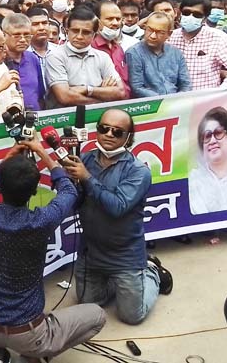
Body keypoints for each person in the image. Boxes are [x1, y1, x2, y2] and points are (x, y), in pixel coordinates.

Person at [0, 139, 106, 363]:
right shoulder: (40, 221)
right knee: (97, 315)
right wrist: (42, 152)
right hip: (27, 334)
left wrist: (9, 156)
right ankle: (32, 356)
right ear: (34, 191)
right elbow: (69, 191)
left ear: (0, 187)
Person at [62, 109, 173, 325]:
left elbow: (117, 207)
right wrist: (69, 183)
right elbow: (75, 204)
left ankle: (152, 273)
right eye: (104, 129)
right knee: (88, 303)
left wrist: (86, 177)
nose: (109, 134)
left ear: (129, 137)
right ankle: (116, 282)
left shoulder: (138, 171)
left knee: (132, 316)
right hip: (91, 252)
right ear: (97, 131)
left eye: (118, 131)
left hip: (125, 254)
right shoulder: (84, 159)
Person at [44, 7, 125, 109]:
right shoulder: (55, 56)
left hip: (96, 118)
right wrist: (102, 97)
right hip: (65, 118)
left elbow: (120, 92)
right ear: (66, 31)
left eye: (86, 32)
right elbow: (65, 97)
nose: (79, 36)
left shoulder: (103, 57)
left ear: (94, 35)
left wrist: (87, 89)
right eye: (75, 31)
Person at [167, 0, 227, 91]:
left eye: (197, 15)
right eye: (186, 13)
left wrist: (224, 87)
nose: (190, 17)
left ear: (204, 18)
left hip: (205, 100)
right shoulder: (170, 37)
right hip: (174, 100)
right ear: (180, 13)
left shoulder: (216, 37)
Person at [125, 12, 192, 97]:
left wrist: (177, 99)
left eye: (160, 32)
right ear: (145, 28)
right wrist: (163, 100)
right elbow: (137, 87)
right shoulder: (134, 53)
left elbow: (186, 84)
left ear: (169, 34)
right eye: (150, 30)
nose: (153, 36)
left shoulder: (176, 53)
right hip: (149, 105)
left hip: (175, 102)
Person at [2, 14, 45, 110]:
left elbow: (40, 94)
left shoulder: (32, 58)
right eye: (17, 35)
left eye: (27, 35)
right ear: (4, 35)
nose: (22, 39)